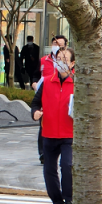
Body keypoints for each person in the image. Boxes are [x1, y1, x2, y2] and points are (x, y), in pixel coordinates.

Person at [31, 47, 75, 204]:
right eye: (58, 58)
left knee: (67, 165)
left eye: (65, 59)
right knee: (49, 169)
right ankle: (56, 201)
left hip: (69, 134)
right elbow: (36, 103)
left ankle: (69, 199)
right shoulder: (47, 82)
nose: (61, 62)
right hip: (48, 133)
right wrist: (35, 113)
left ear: (72, 63)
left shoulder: (78, 83)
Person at [32, 35, 68, 164]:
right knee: (43, 125)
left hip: (62, 96)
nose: (56, 46)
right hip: (46, 94)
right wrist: (34, 83)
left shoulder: (67, 61)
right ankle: (43, 153)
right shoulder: (44, 60)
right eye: (54, 43)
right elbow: (35, 74)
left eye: (60, 44)